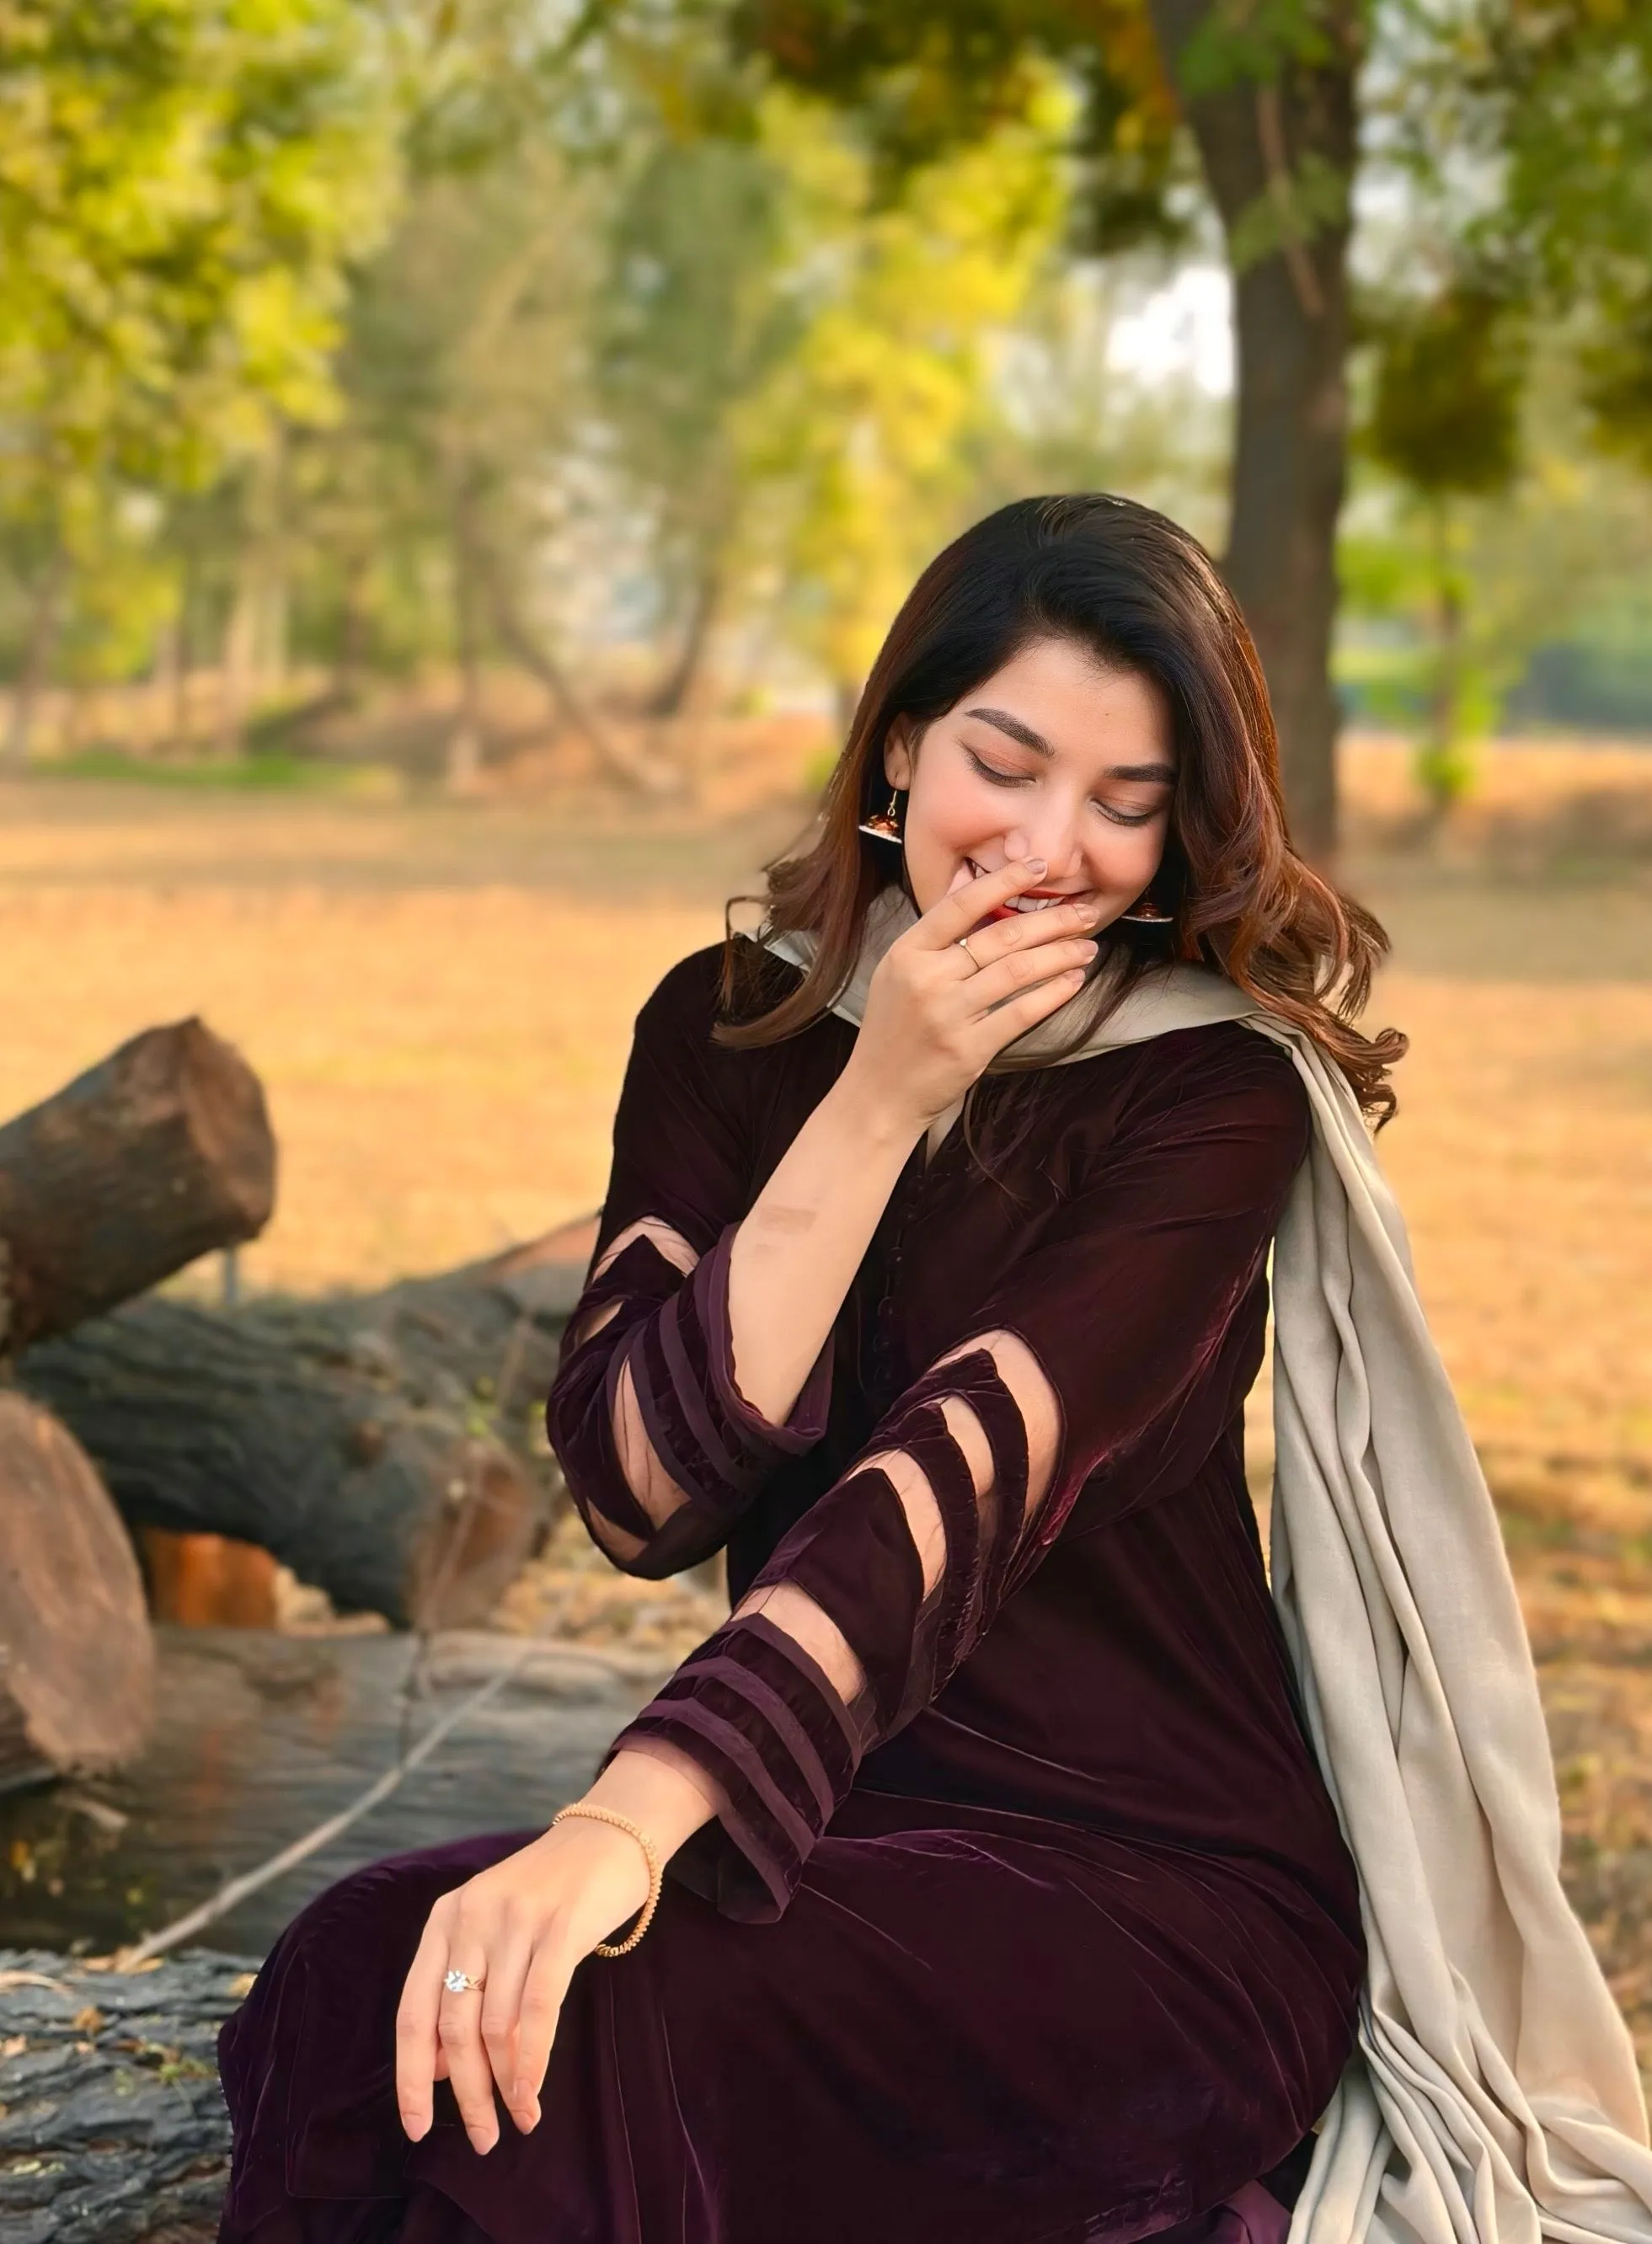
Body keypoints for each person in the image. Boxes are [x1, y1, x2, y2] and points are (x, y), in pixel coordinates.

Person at [212, 494, 1408, 2244]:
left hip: (1156, 1890)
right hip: (822, 1844)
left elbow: (948, 1489)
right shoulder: (723, 1026)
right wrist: (879, 1101)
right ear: (903, 744)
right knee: (357, 1976)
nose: (1052, 847)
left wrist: (622, 1824)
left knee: (587, 2040)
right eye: (1008, 763)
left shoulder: (1207, 1099)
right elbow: (635, 1486)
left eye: (1127, 807)